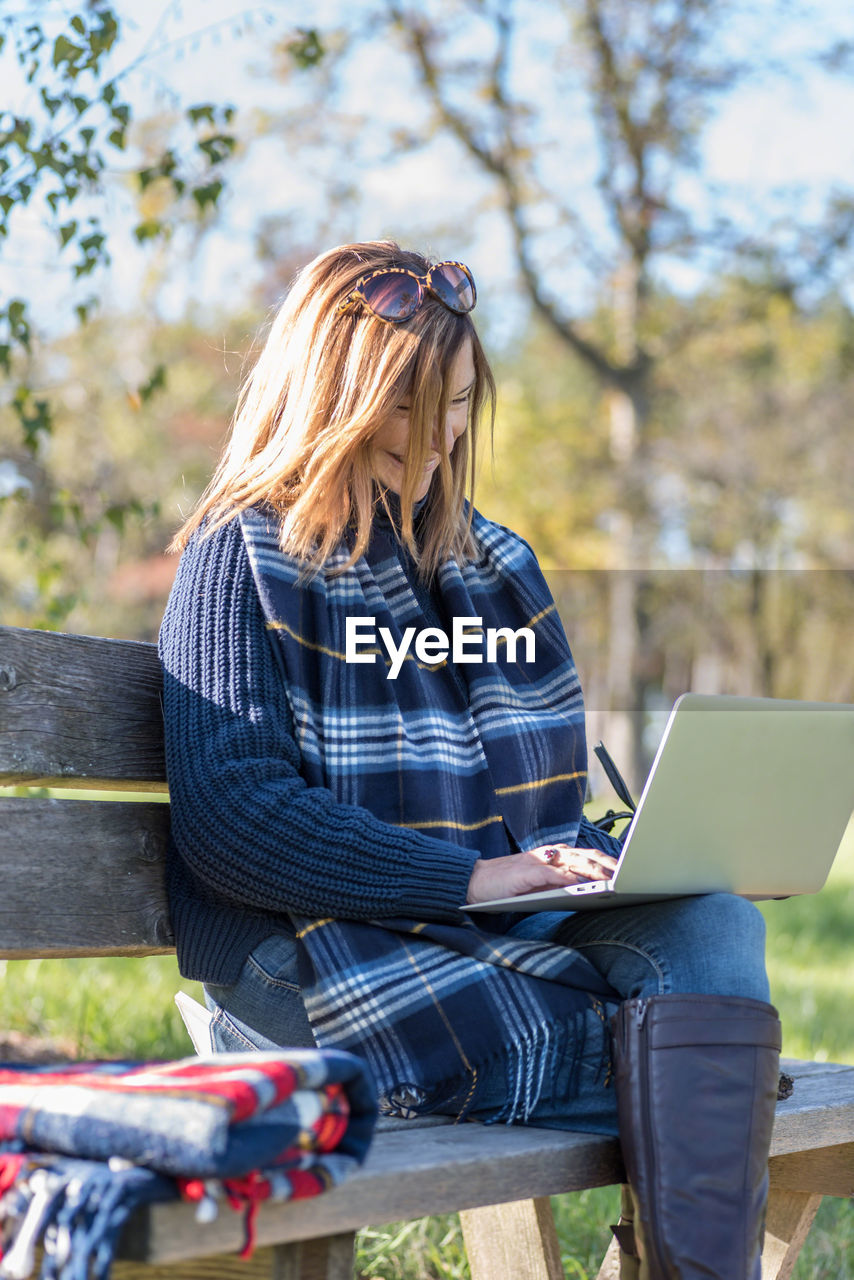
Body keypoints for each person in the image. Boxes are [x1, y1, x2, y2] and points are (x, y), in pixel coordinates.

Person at [159, 241, 782, 1279]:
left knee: (712, 934)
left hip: (488, 935)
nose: (433, 434)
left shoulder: (499, 565)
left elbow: (542, 808)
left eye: (450, 401)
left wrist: (654, 855)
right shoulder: (244, 553)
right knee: (709, 1062)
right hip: (311, 953)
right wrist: (466, 876)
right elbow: (234, 812)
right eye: (400, 406)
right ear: (332, 395)